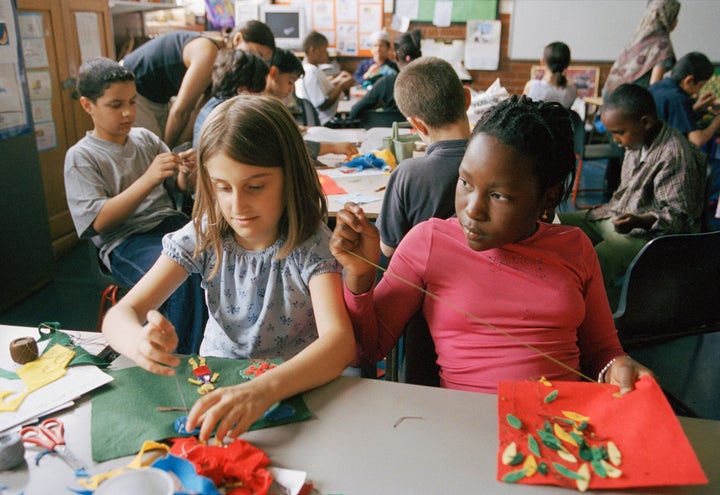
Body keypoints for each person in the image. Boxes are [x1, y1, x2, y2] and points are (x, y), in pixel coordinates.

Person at [330, 95, 653, 395]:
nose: (473, 209)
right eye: (465, 183)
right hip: (467, 426)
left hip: (559, 425)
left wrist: (617, 367)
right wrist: (359, 279)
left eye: (499, 196)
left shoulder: (575, 247)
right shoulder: (428, 242)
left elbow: (602, 352)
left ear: (548, 197)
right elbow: (364, 353)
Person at [102, 95, 356, 442]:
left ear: (291, 176)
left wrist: (262, 390)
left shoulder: (311, 246)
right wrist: (138, 342)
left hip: (295, 385)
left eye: (255, 186)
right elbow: (120, 315)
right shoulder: (205, 235)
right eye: (223, 188)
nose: (237, 205)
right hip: (215, 382)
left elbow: (339, 344)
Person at [64, 57, 206, 354]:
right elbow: (99, 222)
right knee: (182, 279)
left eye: (131, 102)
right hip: (128, 240)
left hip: (171, 224)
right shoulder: (82, 156)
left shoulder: (144, 138)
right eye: (115, 105)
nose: (128, 112)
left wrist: (185, 175)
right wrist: (148, 179)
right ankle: (183, 360)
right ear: (88, 105)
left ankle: (217, 348)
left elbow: (178, 189)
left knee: (224, 262)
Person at [559, 83, 706, 298]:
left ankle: (581, 313)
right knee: (556, 223)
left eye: (619, 133)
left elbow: (679, 219)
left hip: (652, 237)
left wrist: (640, 221)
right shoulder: (636, 141)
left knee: (593, 262)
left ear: (645, 122)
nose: (615, 141)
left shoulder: (674, 155)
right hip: (618, 217)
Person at [121, 21, 275, 149]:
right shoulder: (209, 53)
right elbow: (181, 111)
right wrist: (167, 152)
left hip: (159, 96)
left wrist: (184, 149)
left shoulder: (225, 68)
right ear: (238, 39)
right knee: (151, 152)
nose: (257, 61)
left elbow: (198, 111)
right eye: (258, 54)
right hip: (132, 85)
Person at [376, 56, 471, 258]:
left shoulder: (408, 173)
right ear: (467, 99)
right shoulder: (497, 162)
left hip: (423, 284)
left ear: (417, 125)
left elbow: (388, 248)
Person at [264, 48, 358, 160]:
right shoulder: (259, 108)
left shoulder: (271, 105)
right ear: (273, 73)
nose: (291, 89)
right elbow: (287, 148)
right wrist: (332, 147)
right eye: (290, 82)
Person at [192, 49, 269, 149]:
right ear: (243, 91)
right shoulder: (232, 116)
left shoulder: (212, 104)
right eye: (259, 92)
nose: (263, 96)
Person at [603, 0, 680, 96]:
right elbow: (654, 85)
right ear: (668, 17)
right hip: (631, 101)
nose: (677, 22)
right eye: (676, 17)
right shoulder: (662, 45)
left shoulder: (637, 38)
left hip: (610, 95)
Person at [348, 29, 423, 124]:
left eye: (381, 45)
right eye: (375, 46)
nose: (378, 49)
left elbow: (354, 112)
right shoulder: (426, 81)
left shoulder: (389, 79)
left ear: (394, 54)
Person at [649, 51, 720, 149]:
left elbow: (673, 116)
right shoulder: (678, 99)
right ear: (689, 80)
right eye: (700, 86)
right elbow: (697, 140)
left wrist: (698, 106)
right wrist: (717, 122)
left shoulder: (658, 87)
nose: (698, 91)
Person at [296, 31, 355, 125]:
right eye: (324, 50)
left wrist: (337, 80)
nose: (327, 53)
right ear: (313, 50)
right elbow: (322, 104)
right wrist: (341, 86)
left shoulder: (304, 69)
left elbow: (320, 88)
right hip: (326, 122)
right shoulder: (312, 72)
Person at [522, 41, 577, 109]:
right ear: (568, 64)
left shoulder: (532, 86)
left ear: (542, 62)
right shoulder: (572, 90)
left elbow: (522, 110)